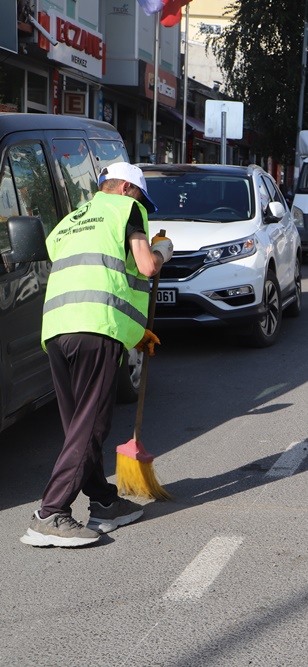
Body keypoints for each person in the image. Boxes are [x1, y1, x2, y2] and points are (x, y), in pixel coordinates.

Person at [21, 163, 172, 548]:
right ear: (123, 188)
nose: (141, 204)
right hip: (95, 328)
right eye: (139, 195)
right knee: (91, 425)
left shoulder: (72, 220)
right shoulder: (125, 210)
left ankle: (103, 501)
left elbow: (91, 272)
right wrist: (161, 250)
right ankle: (50, 513)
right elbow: (146, 266)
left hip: (57, 329)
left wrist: (133, 332)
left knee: (78, 425)